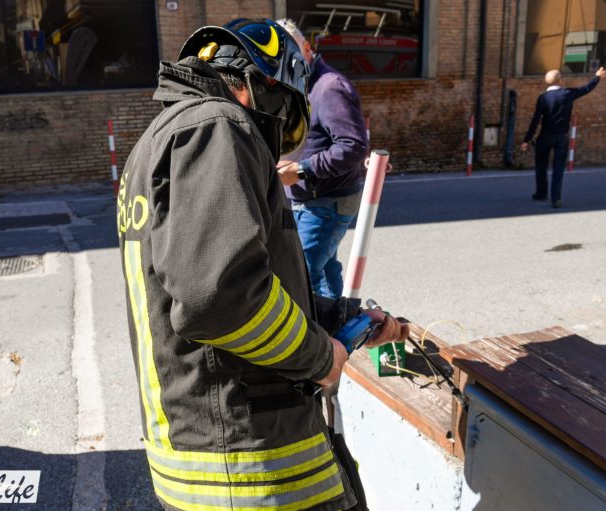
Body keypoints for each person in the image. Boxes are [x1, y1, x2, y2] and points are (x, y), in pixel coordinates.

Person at [117, 18, 409, 511]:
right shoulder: (217, 126)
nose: (270, 137)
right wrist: (320, 357)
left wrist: (339, 318)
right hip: (248, 466)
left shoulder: (155, 143)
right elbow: (222, 298)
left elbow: (223, 282)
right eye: (283, 115)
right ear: (262, 89)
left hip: (205, 453)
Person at [276, 19, 369, 299]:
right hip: (309, 199)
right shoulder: (298, 84)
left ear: (306, 48)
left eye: (290, 54)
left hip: (327, 202)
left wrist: (301, 170)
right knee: (325, 270)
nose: (284, 64)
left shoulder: (330, 87)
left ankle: (320, 326)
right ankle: (339, 321)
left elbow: (353, 146)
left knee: (302, 277)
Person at [520, 66, 606, 208]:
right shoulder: (567, 94)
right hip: (561, 137)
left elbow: (535, 120)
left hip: (545, 136)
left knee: (541, 166)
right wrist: (597, 77)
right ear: (560, 80)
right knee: (558, 168)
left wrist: (526, 140)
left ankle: (541, 193)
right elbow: (586, 89)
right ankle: (556, 199)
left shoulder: (543, 98)